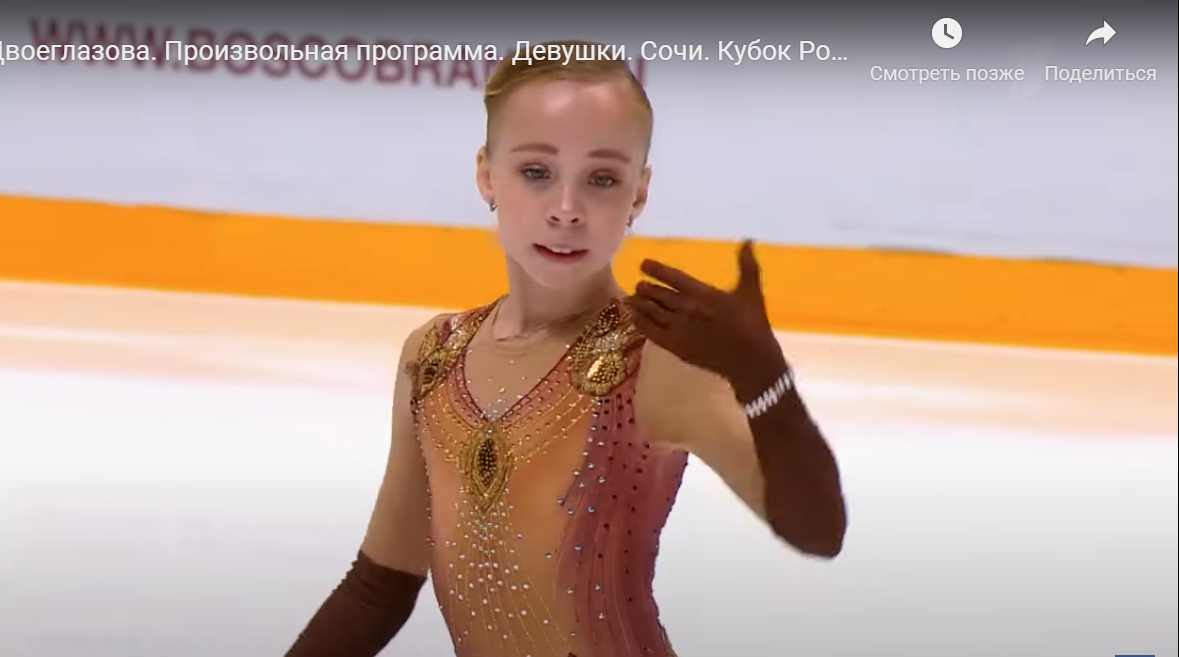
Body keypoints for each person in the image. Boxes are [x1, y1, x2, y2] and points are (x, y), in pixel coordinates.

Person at [284, 38, 847, 657]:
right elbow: (379, 588)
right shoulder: (434, 356)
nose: (566, 210)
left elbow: (819, 532)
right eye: (536, 172)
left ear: (638, 194)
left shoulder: (656, 358)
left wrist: (766, 380)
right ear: (487, 174)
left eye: (601, 179)